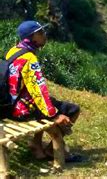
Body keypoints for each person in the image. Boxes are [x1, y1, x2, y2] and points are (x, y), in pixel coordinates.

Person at [6, 20, 81, 161]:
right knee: (72, 110)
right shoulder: (30, 59)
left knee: (47, 102)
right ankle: (52, 150)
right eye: (40, 33)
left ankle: (36, 144)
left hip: (11, 104)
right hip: (22, 110)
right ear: (30, 37)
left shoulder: (14, 51)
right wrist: (53, 115)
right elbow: (38, 90)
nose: (44, 35)